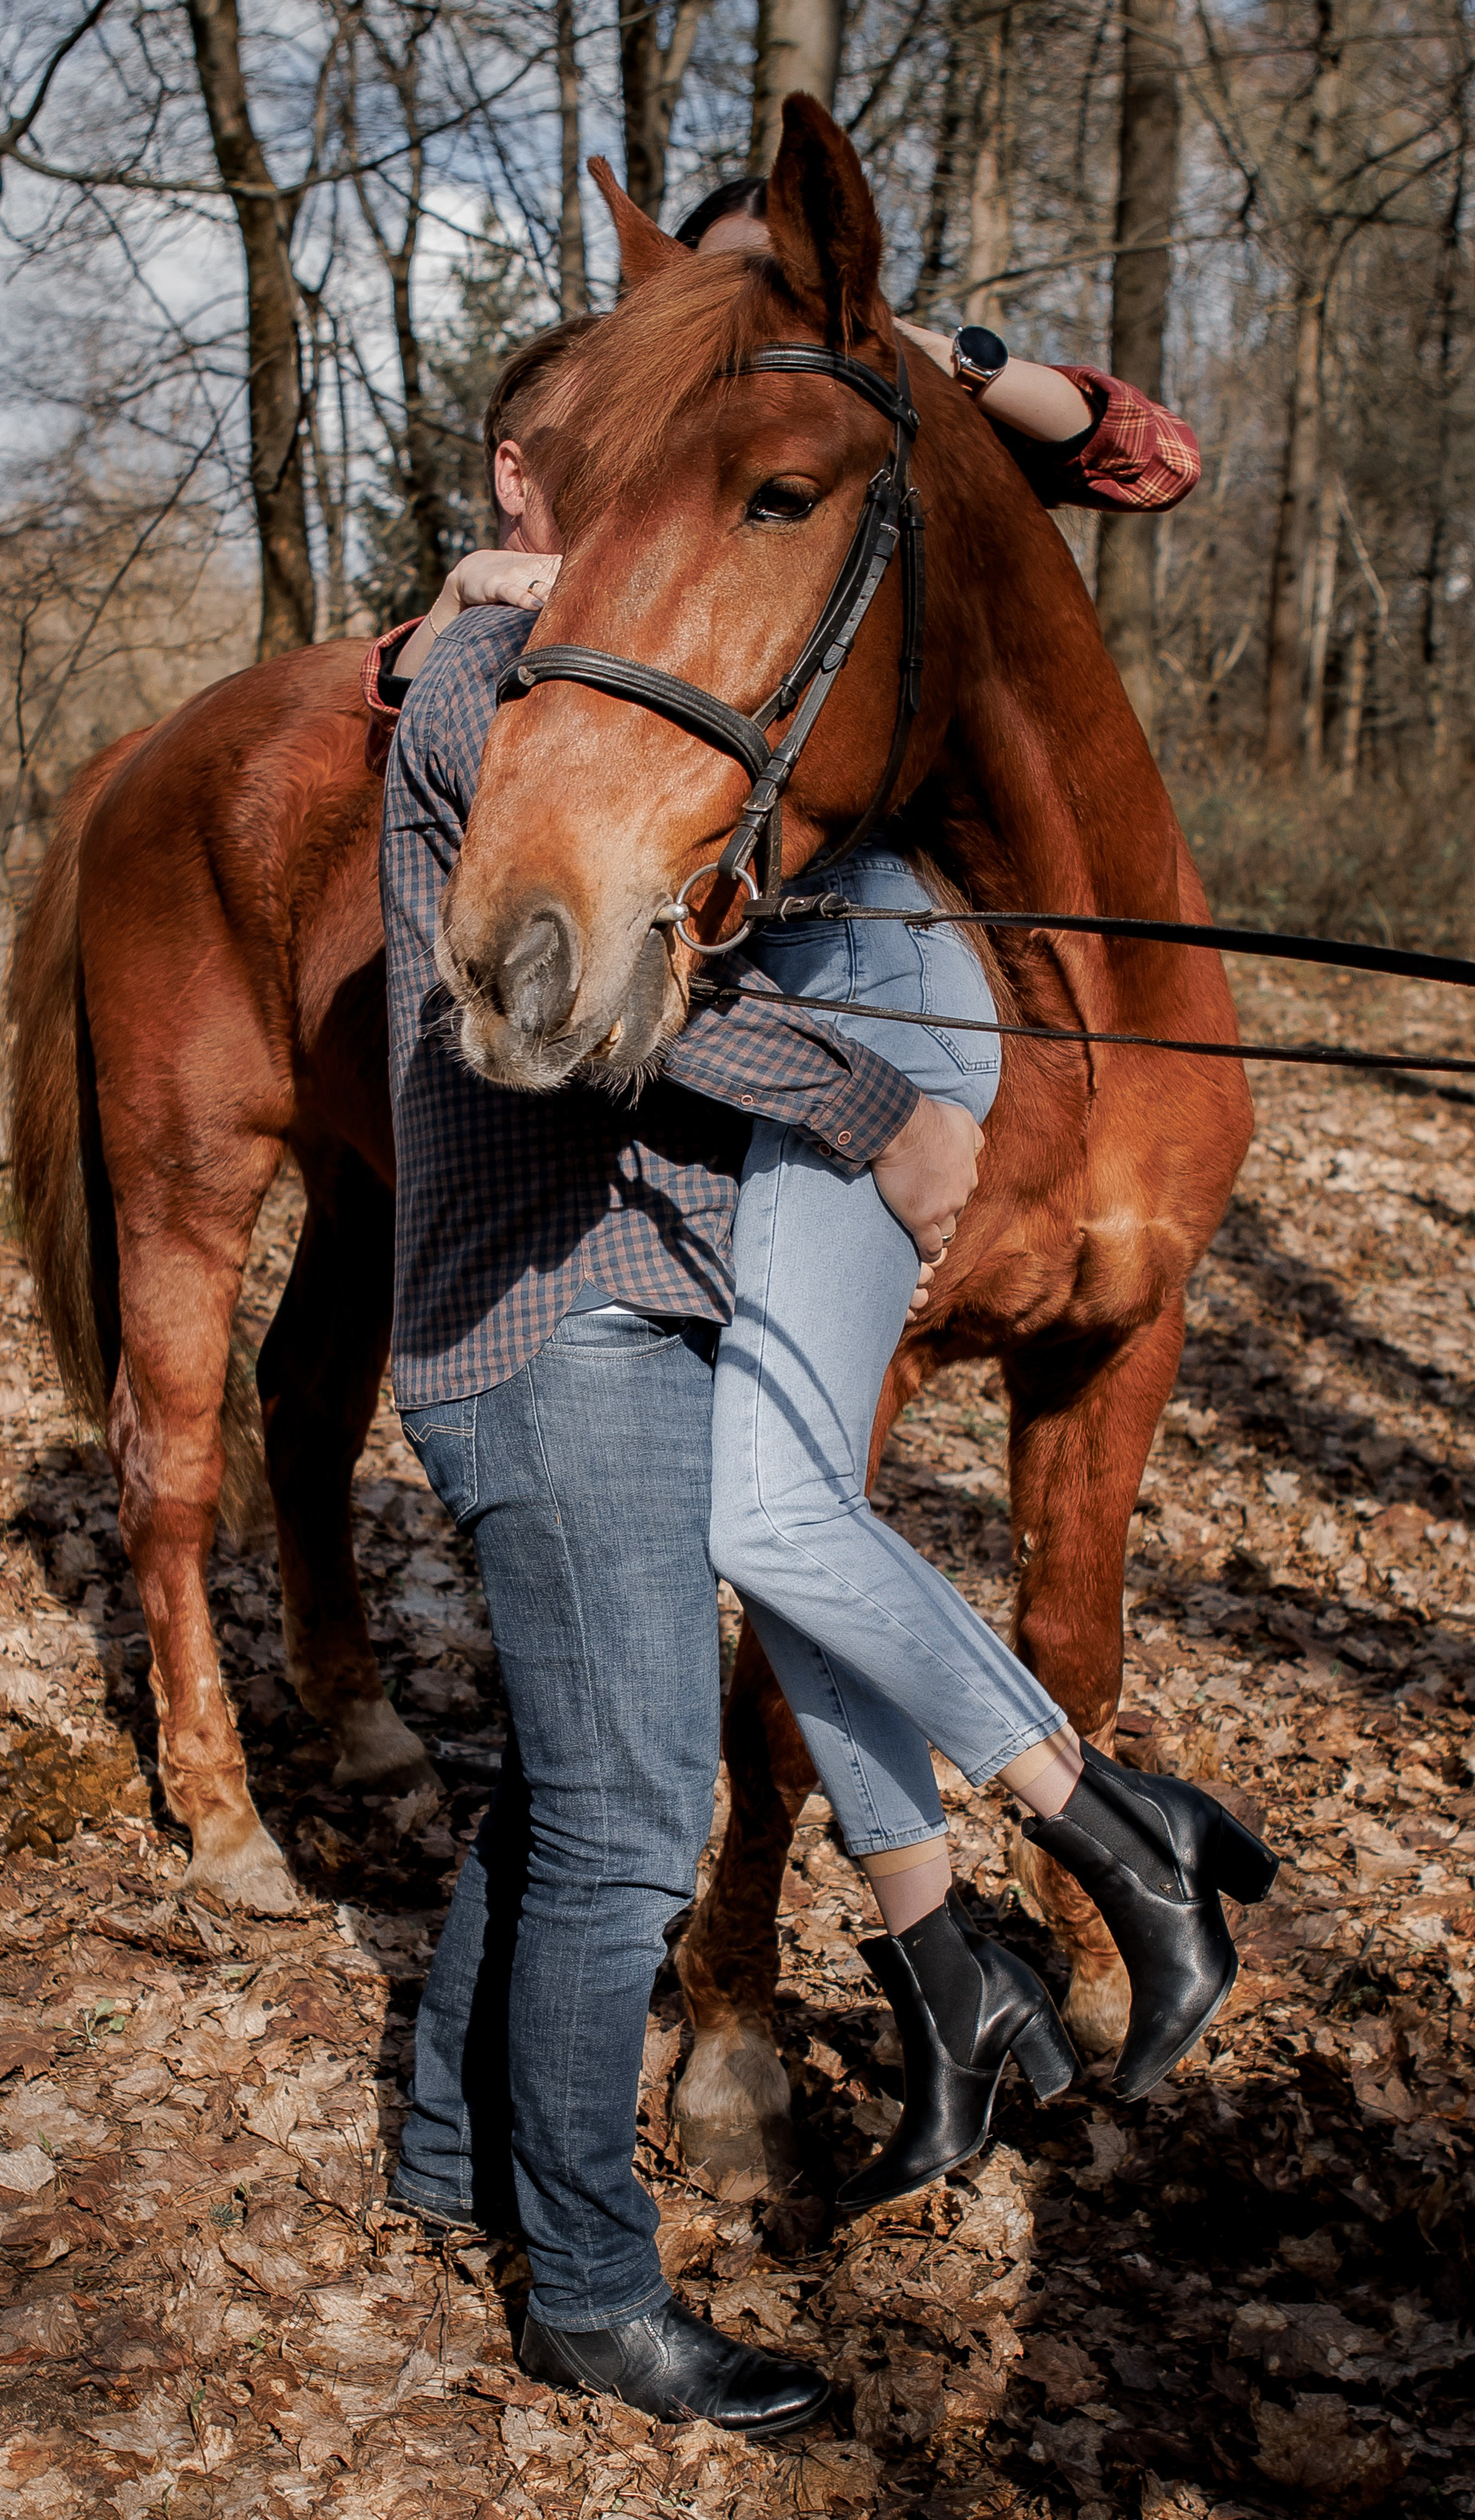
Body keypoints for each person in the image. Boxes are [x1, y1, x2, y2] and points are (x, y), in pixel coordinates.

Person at [371, 191, 1275, 2430]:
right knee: (629, 1810)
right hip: (549, 1315)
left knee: (558, 1764)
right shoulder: (483, 688)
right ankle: (588, 2284)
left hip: (640, 1293)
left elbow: (1108, 453)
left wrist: (963, 362)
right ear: (540, 478)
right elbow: (579, 1017)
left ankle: (432, 2148)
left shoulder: (675, 633)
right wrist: (869, 1098)